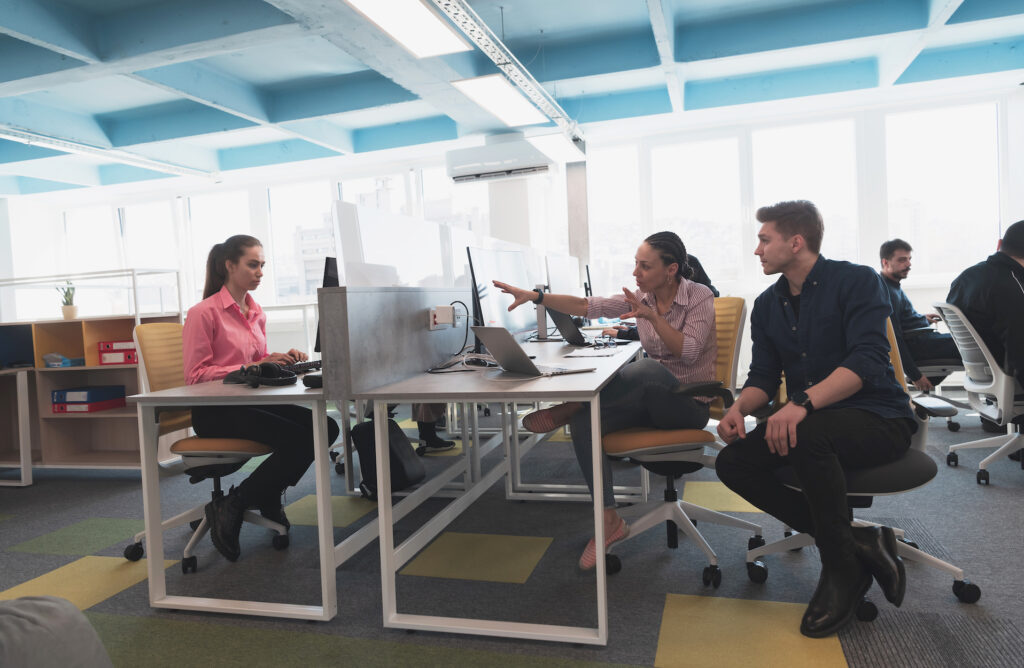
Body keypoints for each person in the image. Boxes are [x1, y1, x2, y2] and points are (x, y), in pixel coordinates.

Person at [714, 201, 914, 638]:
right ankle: (855, 541)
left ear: (796, 242)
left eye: (765, 239)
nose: (757, 250)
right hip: (812, 422)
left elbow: (868, 359)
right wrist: (738, 408)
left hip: (879, 416)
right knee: (732, 462)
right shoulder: (769, 304)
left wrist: (801, 403)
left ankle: (841, 570)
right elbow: (764, 375)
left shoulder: (856, 281)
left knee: (803, 433)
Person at [493, 231, 717, 570]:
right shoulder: (643, 296)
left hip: (688, 405)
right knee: (589, 419)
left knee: (645, 369)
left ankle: (573, 405)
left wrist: (652, 317)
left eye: (645, 266)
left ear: (670, 270)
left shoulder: (699, 296)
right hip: (651, 402)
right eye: (635, 264)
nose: (636, 273)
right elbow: (588, 306)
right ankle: (608, 517)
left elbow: (687, 352)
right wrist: (538, 296)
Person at [183, 234, 340, 562]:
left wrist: (278, 358)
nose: (260, 272)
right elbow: (196, 375)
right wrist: (250, 366)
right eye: (252, 265)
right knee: (301, 438)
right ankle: (237, 503)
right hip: (215, 411)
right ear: (230, 266)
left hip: (250, 403)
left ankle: (256, 496)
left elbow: (257, 358)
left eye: (262, 265)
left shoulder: (255, 312)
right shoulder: (204, 313)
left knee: (325, 426)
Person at [947, 220, 1024, 428]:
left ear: (1000, 244)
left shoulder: (967, 276)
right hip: (1008, 376)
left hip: (985, 374)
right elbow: (1020, 348)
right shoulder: (1012, 286)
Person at [878, 239, 961, 392]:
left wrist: (922, 319)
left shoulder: (892, 285)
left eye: (909, 259)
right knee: (974, 344)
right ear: (885, 262)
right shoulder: (887, 292)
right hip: (918, 347)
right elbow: (894, 338)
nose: (908, 264)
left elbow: (902, 321)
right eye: (902, 260)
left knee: (969, 341)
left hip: (921, 341)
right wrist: (915, 375)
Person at [601, 252, 718, 340]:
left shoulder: (694, 302)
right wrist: (632, 330)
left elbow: (667, 333)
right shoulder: (705, 297)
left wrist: (623, 334)